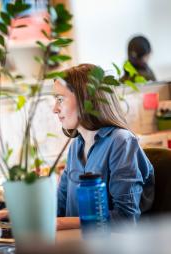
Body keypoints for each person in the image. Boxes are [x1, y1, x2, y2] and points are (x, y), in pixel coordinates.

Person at [53, 64, 154, 230]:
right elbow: (59, 208)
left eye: (60, 100)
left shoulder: (121, 142)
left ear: (85, 100)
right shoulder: (76, 146)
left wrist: (62, 223)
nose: (54, 109)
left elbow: (125, 220)